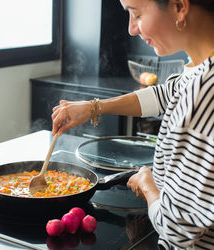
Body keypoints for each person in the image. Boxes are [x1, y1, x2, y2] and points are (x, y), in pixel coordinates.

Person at [52, 0, 214, 249]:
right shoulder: (201, 72)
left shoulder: (202, 93)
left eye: (135, 13)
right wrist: (94, 107)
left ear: (180, 7)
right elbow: (166, 94)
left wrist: (148, 186)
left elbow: (177, 229)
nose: (131, 28)